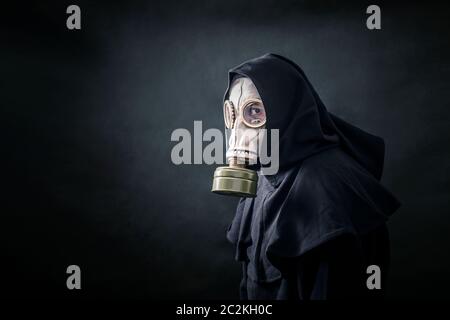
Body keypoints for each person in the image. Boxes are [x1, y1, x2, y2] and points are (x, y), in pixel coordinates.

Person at [220, 53, 401, 300]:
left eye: (254, 112)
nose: (237, 134)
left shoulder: (326, 189)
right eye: (231, 114)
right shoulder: (267, 170)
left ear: (284, 109)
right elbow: (251, 283)